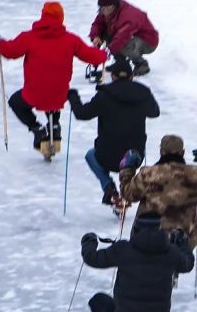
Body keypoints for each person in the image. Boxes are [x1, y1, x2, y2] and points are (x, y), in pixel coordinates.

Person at [81, 214, 195, 312]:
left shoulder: (123, 249)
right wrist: (183, 245)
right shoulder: (170, 253)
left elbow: (92, 258)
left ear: (135, 229)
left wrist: (89, 241)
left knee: (98, 301)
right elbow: (187, 264)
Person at [0, 2, 106, 151]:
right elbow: (92, 56)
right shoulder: (71, 40)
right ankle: (54, 125)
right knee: (53, 92)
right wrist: (103, 54)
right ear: (61, 18)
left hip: (33, 94)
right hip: (59, 94)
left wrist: (0, 43)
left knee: (16, 102)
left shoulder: (29, 37)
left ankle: (37, 129)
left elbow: (10, 51)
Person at [68, 55, 160, 207]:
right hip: (134, 157)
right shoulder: (143, 93)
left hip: (107, 156)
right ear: (132, 76)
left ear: (112, 76)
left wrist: (73, 97)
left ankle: (109, 189)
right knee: (128, 157)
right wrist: (145, 98)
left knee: (91, 156)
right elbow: (154, 112)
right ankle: (128, 188)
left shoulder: (104, 95)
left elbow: (81, 114)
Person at [119, 136, 197, 249]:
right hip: (185, 237)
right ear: (182, 152)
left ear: (161, 152)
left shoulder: (148, 174)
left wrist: (127, 168)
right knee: (177, 264)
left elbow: (128, 194)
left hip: (149, 236)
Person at [89, 0, 159, 76]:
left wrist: (106, 52)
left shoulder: (127, 15)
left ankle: (141, 64)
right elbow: (97, 24)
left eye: (108, 8)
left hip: (148, 41)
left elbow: (122, 37)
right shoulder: (105, 11)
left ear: (114, 5)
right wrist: (96, 37)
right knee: (106, 34)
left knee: (122, 43)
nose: (105, 11)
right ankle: (120, 63)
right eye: (103, 8)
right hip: (128, 37)